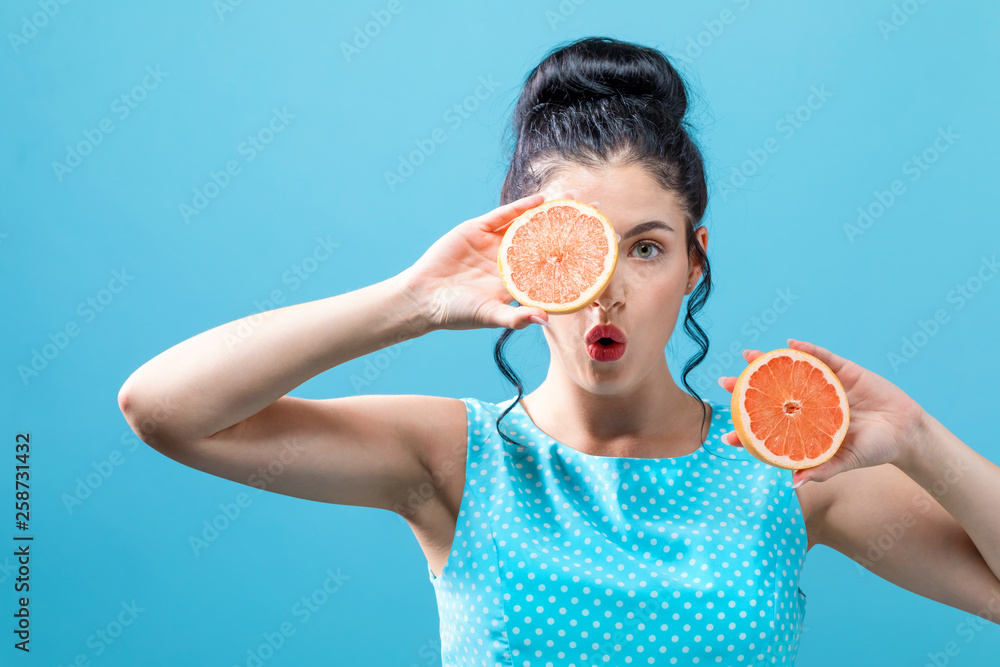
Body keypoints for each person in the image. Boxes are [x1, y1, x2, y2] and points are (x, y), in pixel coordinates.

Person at [118, 36, 1000, 666]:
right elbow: (165, 409)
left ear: (695, 264)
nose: (608, 286)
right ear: (521, 259)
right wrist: (412, 301)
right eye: (576, 247)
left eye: (647, 247)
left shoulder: (783, 465)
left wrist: (919, 437)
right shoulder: (453, 460)